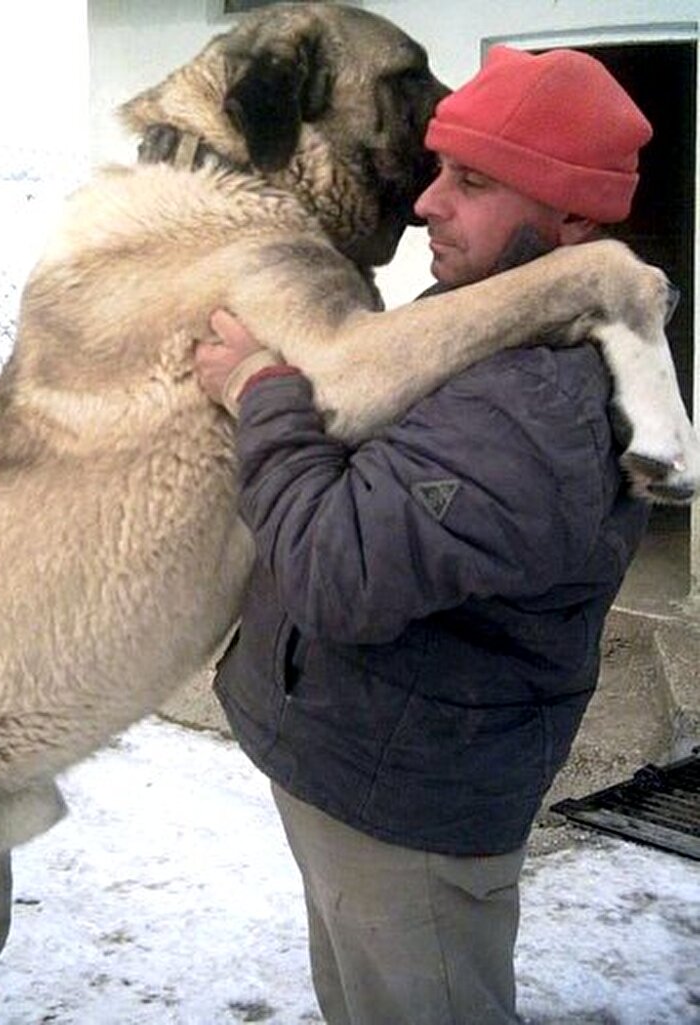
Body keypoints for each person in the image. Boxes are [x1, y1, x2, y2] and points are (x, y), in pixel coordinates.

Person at [193, 45, 654, 1025]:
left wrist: (258, 388)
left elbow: (338, 569)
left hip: (412, 810)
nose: (426, 204)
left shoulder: (538, 397)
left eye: (473, 182)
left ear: (576, 215)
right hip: (355, 762)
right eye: (441, 169)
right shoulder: (486, 309)